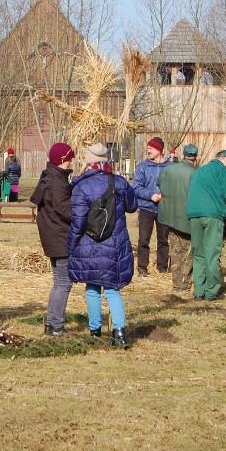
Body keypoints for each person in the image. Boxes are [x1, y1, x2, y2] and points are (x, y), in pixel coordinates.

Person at [67, 143, 137, 348]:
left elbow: (78, 221)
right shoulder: (120, 182)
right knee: (113, 289)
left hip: (89, 245)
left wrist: (70, 247)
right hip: (115, 245)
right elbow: (133, 206)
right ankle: (120, 331)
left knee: (92, 288)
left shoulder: (81, 187)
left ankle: (95, 331)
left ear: (88, 162)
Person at [31, 142, 75, 336]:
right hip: (60, 236)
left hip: (52, 236)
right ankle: (55, 324)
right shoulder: (56, 182)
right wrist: (83, 212)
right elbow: (65, 210)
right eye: (69, 159)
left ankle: (52, 322)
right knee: (64, 282)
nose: (71, 162)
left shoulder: (51, 177)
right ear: (61, 160)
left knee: (59, 281)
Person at [186, 150, 226, 301]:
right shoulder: (224, 172)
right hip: (213, 215)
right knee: (212, 254)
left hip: (194, 214)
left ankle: (199, 292)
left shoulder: (200, 170)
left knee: (198, 254)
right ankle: (212, 292)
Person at [156, 144, 198, 292]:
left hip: (169, 217)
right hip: (186, 218)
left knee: (175, 251)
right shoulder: (195, 173)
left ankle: (177, 284)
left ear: (184, 154)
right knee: (188, 252)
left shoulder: (168, 169)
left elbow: (158, 183)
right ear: (195, 157)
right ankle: (185, 284)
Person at [132, 136, 171, 276]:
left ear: (159, 150)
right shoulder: (142, 167)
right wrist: (150, 195)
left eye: (151, 148)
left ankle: (162, 268)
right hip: (146, 208)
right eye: (147, 148)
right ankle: (142, 268)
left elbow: (174, 187)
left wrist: (165, 195)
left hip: (164, 209)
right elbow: (136, 187)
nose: (148, 150)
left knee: (163, 240)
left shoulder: (170, 167)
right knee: (143, 240)